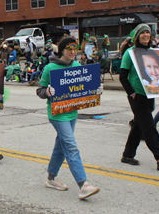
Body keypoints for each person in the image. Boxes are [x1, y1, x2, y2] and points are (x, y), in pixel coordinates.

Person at [36, 37, 100, 199]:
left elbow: (83, 88)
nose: (72, 52)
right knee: (70, 146)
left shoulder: (78, 65)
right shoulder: (50, 67)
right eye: (69, 49)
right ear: (62, 50)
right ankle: (83, 184)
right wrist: (48, 92)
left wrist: (95, 90)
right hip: (57, 114)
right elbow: (40, 91)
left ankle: (51, 178)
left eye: (75, 49)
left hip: (72, 112)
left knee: (61, 146)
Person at [119, 23, 159, 171]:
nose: (145, 35)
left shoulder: (153, 52)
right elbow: (122, 76)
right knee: (149, 127)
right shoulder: (130, 52)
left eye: (148, 33)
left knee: (138, 125)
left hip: (150, 94)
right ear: (137, 36)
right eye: (142, 33)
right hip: (137, 96)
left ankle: (127, 155)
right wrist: (132, 93)